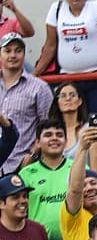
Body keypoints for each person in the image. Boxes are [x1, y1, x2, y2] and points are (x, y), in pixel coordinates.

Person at [0, 33, 54, 173]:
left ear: (24, 54)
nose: (13, 55)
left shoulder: (39, 87)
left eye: (18, 51)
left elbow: (48, 126)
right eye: (8, 51)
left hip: (22, 165)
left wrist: (33, 153)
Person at [19, 118, 72, 240]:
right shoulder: (26, 174)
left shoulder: (79, 168)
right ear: (38, 142)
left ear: (66, 141)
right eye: (48, 135)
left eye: (59, 135)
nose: (54, 138)